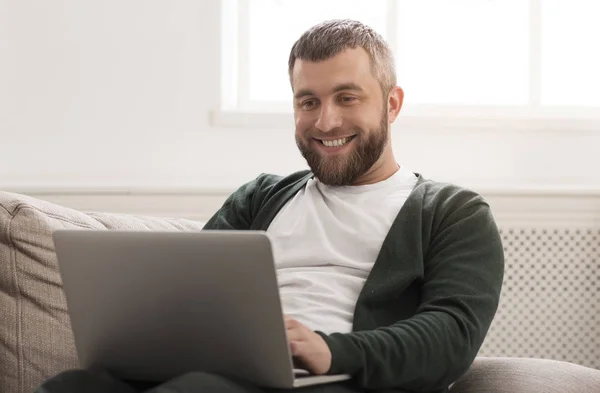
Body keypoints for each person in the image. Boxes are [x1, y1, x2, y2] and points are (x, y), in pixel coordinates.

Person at [36, 19, 504, 393]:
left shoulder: (451, 212)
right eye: (308, 101)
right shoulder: (261, 197)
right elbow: (190, 293)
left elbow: (452, 334)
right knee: (72, 386)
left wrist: (331, 351)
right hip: (222, 369)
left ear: (392, 104)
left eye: (347, 97)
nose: (326, 121)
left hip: (332, 379)